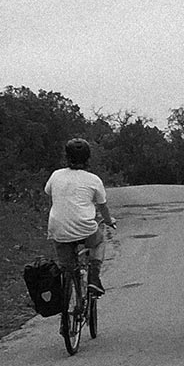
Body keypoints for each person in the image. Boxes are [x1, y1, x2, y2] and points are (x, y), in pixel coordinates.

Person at [44, 139, 117, 329]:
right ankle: (93, 276)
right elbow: (103, 207)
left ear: (66, 157)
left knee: (67, 269)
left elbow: (48, 192)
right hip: (85, 228)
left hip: (58, 229)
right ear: (88, 158)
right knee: (99, 240)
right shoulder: (93, 180)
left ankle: (65, 316)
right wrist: (109, 221)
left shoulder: (56, 175)